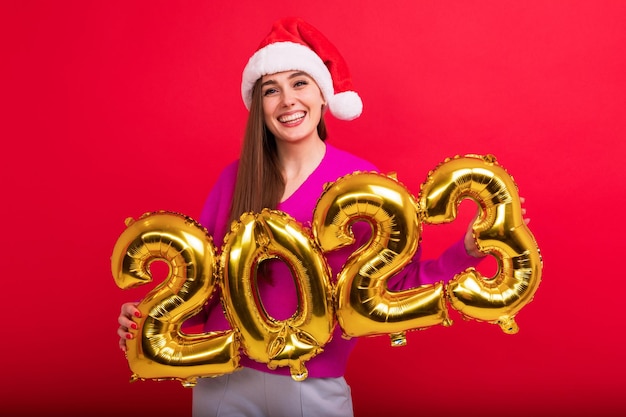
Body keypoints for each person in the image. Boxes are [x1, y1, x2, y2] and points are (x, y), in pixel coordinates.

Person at [117, 17, 521, 417]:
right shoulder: (234, 180)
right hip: (224, 383)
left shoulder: (362, 185)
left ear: (323, 95)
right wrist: (149, 318)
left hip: (311, 388)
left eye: (299, 83)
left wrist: (466, 251)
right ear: (259, 107)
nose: (288, 100)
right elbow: (201, 285)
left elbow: (397, 285)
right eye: (271, 90)